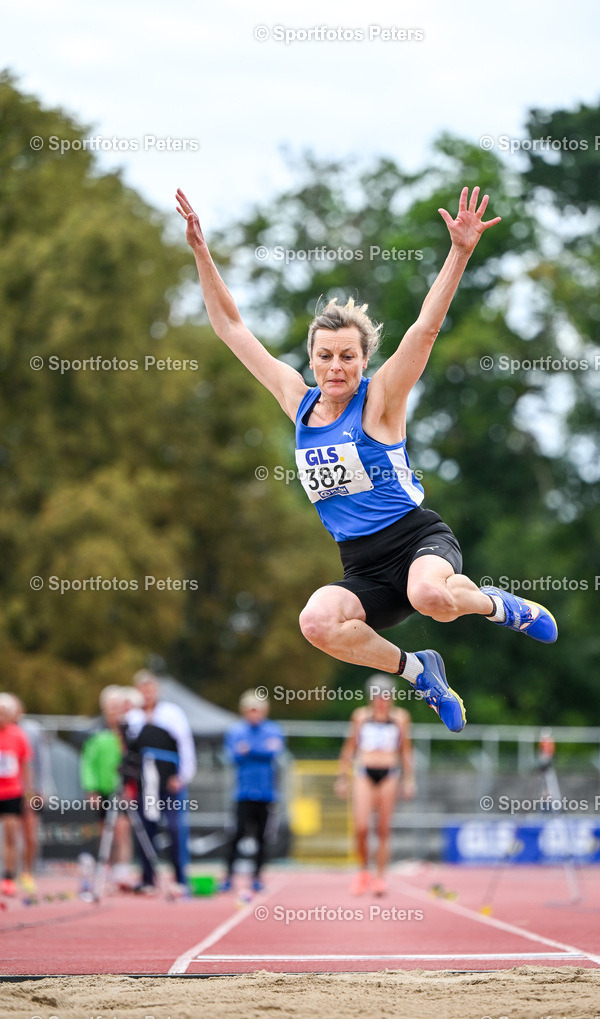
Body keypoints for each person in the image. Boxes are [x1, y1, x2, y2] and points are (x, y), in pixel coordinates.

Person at [176, 186, 557, 734]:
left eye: (348, 357)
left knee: (430, 595)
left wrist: (460, 253)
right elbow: (232, 328)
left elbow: (424, 332)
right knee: (316, 622)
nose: (336, 367)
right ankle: (419, 672)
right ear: (311, 359)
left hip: (415, 538)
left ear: (363, 360)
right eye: (325, 356)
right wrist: (200, 251)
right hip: (362, 565)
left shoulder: (379, 401)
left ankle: (501, 608)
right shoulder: (297, 400)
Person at [335, 675, 415, 895]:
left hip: (389, 774)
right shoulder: (361, 717)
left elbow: (406, 750)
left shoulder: (400, 718)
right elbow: (349, 748)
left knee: (383, 829)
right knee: (361, 827)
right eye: (378, 696)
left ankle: (380, 877)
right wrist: (342, 777)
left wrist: (409, 779)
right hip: (364, 772)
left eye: (386, 696)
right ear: (371, 697)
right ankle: (363, 871)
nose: (382, 701)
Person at [124, 671, 196, 893]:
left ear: (157, 690)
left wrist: (182, 775)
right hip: (146, 784)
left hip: (170, 782)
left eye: (150, 688)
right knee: (146, 830)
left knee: (175, 828)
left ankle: (181, 878)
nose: (147, 693)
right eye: (142, 689)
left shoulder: (172, 714)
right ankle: (148, 879)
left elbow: (185, 745)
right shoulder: (132, 718)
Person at [223, 689, 285, 892]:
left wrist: (250, 750)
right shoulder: (236, 731)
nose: (254, 714)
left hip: (267, 793)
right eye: (250, 710)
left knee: (262, 838)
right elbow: (234, 755)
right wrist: (260, 751)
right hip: (243, 793)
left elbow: (273, 752)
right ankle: (228, 876)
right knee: (236, 834)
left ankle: (257, 877)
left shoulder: (273, 729)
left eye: (257, 710)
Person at [79, 686, 133, 888]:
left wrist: (130, 786)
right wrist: (91, 788)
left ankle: (122, 870)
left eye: (118, 706)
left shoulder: (129, 733)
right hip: (102, 789)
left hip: (123, 789)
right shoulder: (95, 733)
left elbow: (133, 762)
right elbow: (88, 763)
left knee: (122, 828)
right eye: (111, 707)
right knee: (105, 830)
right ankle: (105, 869)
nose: (114, 711)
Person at [10, 696, 52, 894]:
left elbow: (41, 762)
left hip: (29, 789)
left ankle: (27, 872)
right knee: (10, 834)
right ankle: (10, 874)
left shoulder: (32, 730)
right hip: (9, 790)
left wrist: (41, 789)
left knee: (30, 835)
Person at [0, 693, 33, 897]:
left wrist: (28, 791)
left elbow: (26, 765)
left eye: (4, 714)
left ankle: (9, 876)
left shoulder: (18, 735)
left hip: (12, 792)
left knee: (11, 834)